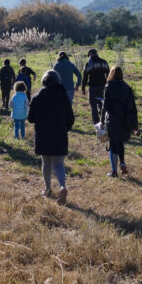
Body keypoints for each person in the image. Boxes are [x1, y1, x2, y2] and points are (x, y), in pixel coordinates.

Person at [27, 70, 75, 205]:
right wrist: (65, 128)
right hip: (60, 134)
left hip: (43, 135)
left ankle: (47, 189)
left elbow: (30, 119)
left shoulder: (37, 97)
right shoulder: (63, 96)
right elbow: (70, 118)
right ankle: (62, 187)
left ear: (43, 81)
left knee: (46, 163)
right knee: (59, 164)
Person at [100, 66, 138, 178]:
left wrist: (102, 120)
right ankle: (122, 163)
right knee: (120, 142)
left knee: (113, 144)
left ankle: (114, 171)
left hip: (113, 120)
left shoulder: (108, 87)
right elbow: (133, 107)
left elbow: (105, 106)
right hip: (125, 121)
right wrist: (134, 124)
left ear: (111, 74)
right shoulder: (127, 88)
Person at [81, 48, 111, 124]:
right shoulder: (104, 62)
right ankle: (103, 121)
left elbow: (85, 77)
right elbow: (109, 74)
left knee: (93, 106)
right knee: (102, 104)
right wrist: (108, 84)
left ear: (90, 55)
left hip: (93, 87)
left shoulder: (88, 64)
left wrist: (83, 88)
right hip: (102, 87)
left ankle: (96, 123)